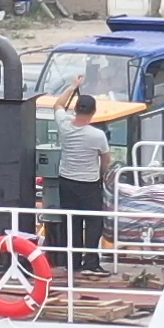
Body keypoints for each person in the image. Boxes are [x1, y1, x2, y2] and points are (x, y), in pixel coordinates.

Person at [52, 91, 112, 280]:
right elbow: (106, 160)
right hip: (89, 183)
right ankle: (91, 264)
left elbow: (58, 105)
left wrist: (72, 87)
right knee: (94, 222)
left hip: (66, 181)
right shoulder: (97, 135)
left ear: (76, 109)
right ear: (93, 112)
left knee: (71, 222)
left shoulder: (64, 125)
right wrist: (102, 175)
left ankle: (72, 263)